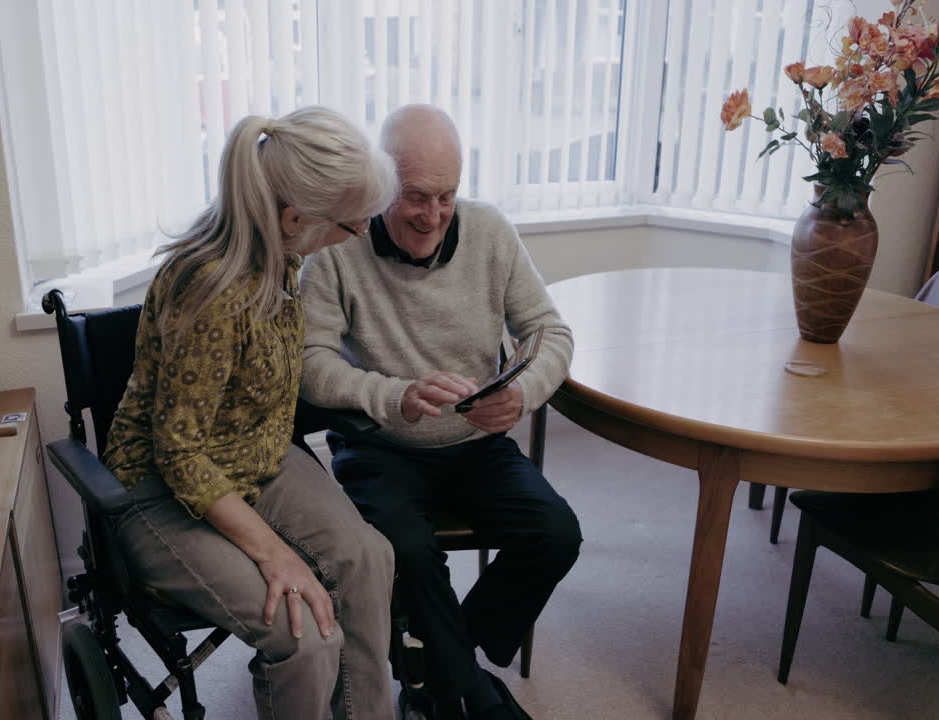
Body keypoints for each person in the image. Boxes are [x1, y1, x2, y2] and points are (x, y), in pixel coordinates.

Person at [102, 106, 398, 720]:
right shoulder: (212, 291)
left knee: (370, 559)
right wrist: (273, 552)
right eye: (352, 224)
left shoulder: (281, 252)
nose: (361, 234)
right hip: (163, 487)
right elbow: (179, 453)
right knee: (304, 635)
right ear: (294, 218)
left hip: (255, 457)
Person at [299, 104, 581, 720]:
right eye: (416, 197)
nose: (433, 215)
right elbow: (309, 364)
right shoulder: (339, 245)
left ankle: (433, 668)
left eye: (447, 196)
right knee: (407, 550)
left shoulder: (490, 231)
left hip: (475, 443)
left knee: (557, 534)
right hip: (379, 445)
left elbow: (549, 332)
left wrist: (523, 394)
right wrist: (393, 395)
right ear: (383, 184)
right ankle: (474, 694)